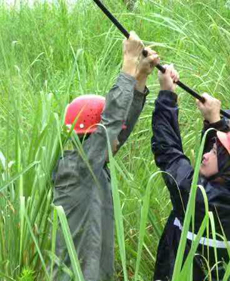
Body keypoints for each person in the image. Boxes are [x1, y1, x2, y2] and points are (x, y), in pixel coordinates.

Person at [52, 32, 159, 280]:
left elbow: (117, 126)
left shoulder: (94, 165)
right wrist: (129, 64)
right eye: (110, 135)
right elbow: (111, 121)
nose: (118, 140)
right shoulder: (76, 169)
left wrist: (140, 78)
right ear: (95, 136)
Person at [151, 65, 230, 281]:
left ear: (229, 164)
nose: (206, 155)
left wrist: (167, 95)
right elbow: (226, 164)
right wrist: (220, 125)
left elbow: (168, 151)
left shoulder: (197, 196)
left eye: (216, 150)